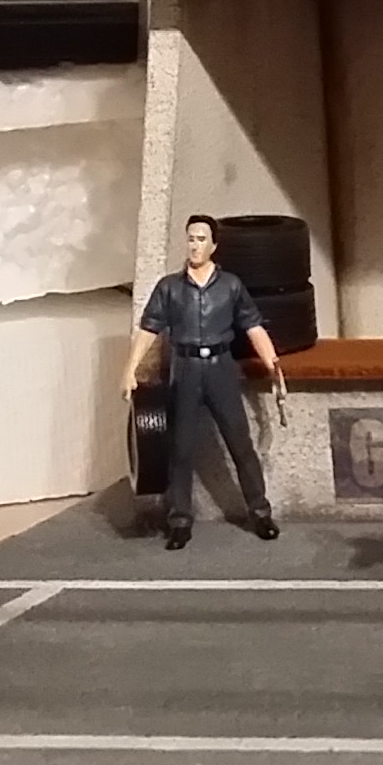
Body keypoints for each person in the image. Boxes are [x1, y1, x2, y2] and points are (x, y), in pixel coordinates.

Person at [123, 214, 286, 550]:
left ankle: (260, 511)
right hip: (185, 368)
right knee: (180, 448)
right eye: (191, 239)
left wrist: (273, 365)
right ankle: (179, 520)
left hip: (221, 368)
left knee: (240, 443)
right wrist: (130, 368)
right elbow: (149, 329)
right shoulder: (169, 287)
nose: (195, 246)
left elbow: (253, 327)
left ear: (213, 245)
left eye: (201, 239)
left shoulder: (231, 286)